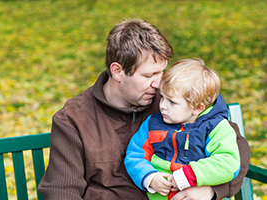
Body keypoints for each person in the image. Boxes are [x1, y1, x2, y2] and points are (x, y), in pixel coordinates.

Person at [38, 18, 250, 200]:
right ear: (118, 71)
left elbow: (236, 151)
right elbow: (61, 190)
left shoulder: (175, 100)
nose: (158, 84)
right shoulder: (74, 119)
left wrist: (211, 190)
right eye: (149, 76)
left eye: (162, 72)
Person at [124, 59, 241, 200]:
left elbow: (228, 162)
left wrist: (190, 175)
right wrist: (150, 177)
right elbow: (134, 155)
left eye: (172, 102)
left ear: (197, 108)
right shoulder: (153, 124)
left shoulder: (216, 128)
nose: (163, 106)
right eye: (162, 98)